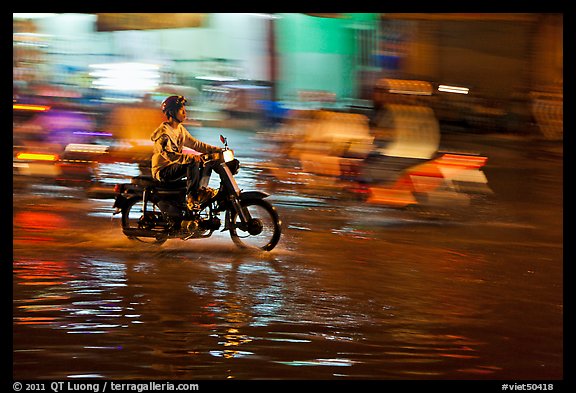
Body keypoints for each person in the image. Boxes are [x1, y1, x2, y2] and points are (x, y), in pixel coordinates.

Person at [150, 95, 220, 211]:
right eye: (181, 110)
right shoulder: (163, 134)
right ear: (172, 112)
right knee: (192, 161)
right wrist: (191, 158)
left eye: (185, 110)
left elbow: (196, 144)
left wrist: (216, 150)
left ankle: (201, 190)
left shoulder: (180, 129)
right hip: (163, 171)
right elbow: (170, 155)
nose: (185, 113)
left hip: (174, 167)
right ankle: (192, 198)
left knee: (206, 161)